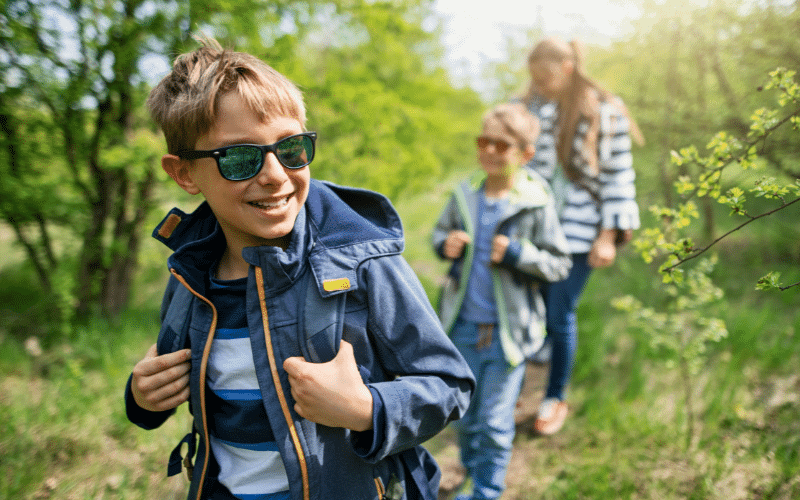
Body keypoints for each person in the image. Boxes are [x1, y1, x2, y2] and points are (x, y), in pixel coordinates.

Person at [124, 36, 475, 500]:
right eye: (240, 158)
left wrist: (365, 408)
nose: (274, 174)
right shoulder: (189, 276)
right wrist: (143, 399)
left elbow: (450, 386)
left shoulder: (362, 262)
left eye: (291, 148)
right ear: (185, 174)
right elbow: (178, 386)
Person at [431, 102, 572, 500]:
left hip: (508, 333)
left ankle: (486, 491)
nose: (490, 151)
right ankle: (474, 474)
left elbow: (559, 263)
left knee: (493, 423)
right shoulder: (465, 194)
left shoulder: (536, 201)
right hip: (460, 327)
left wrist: (517, 254)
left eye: (502, 145)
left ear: (526, 154)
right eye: (483, 141)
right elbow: (440, 235)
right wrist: (447, 244)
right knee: (464, 418)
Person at [520, 36, 644, 436]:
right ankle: (520, 382)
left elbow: (618, 175)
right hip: (533, 228)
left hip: (577, 231)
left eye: (547, 73)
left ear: (568, 66)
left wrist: (608, 236)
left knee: (559, 314)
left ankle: (554, 396)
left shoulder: (604, 108)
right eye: (534, 74)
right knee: (530, 309)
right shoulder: (528, 106)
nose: (540, 81)